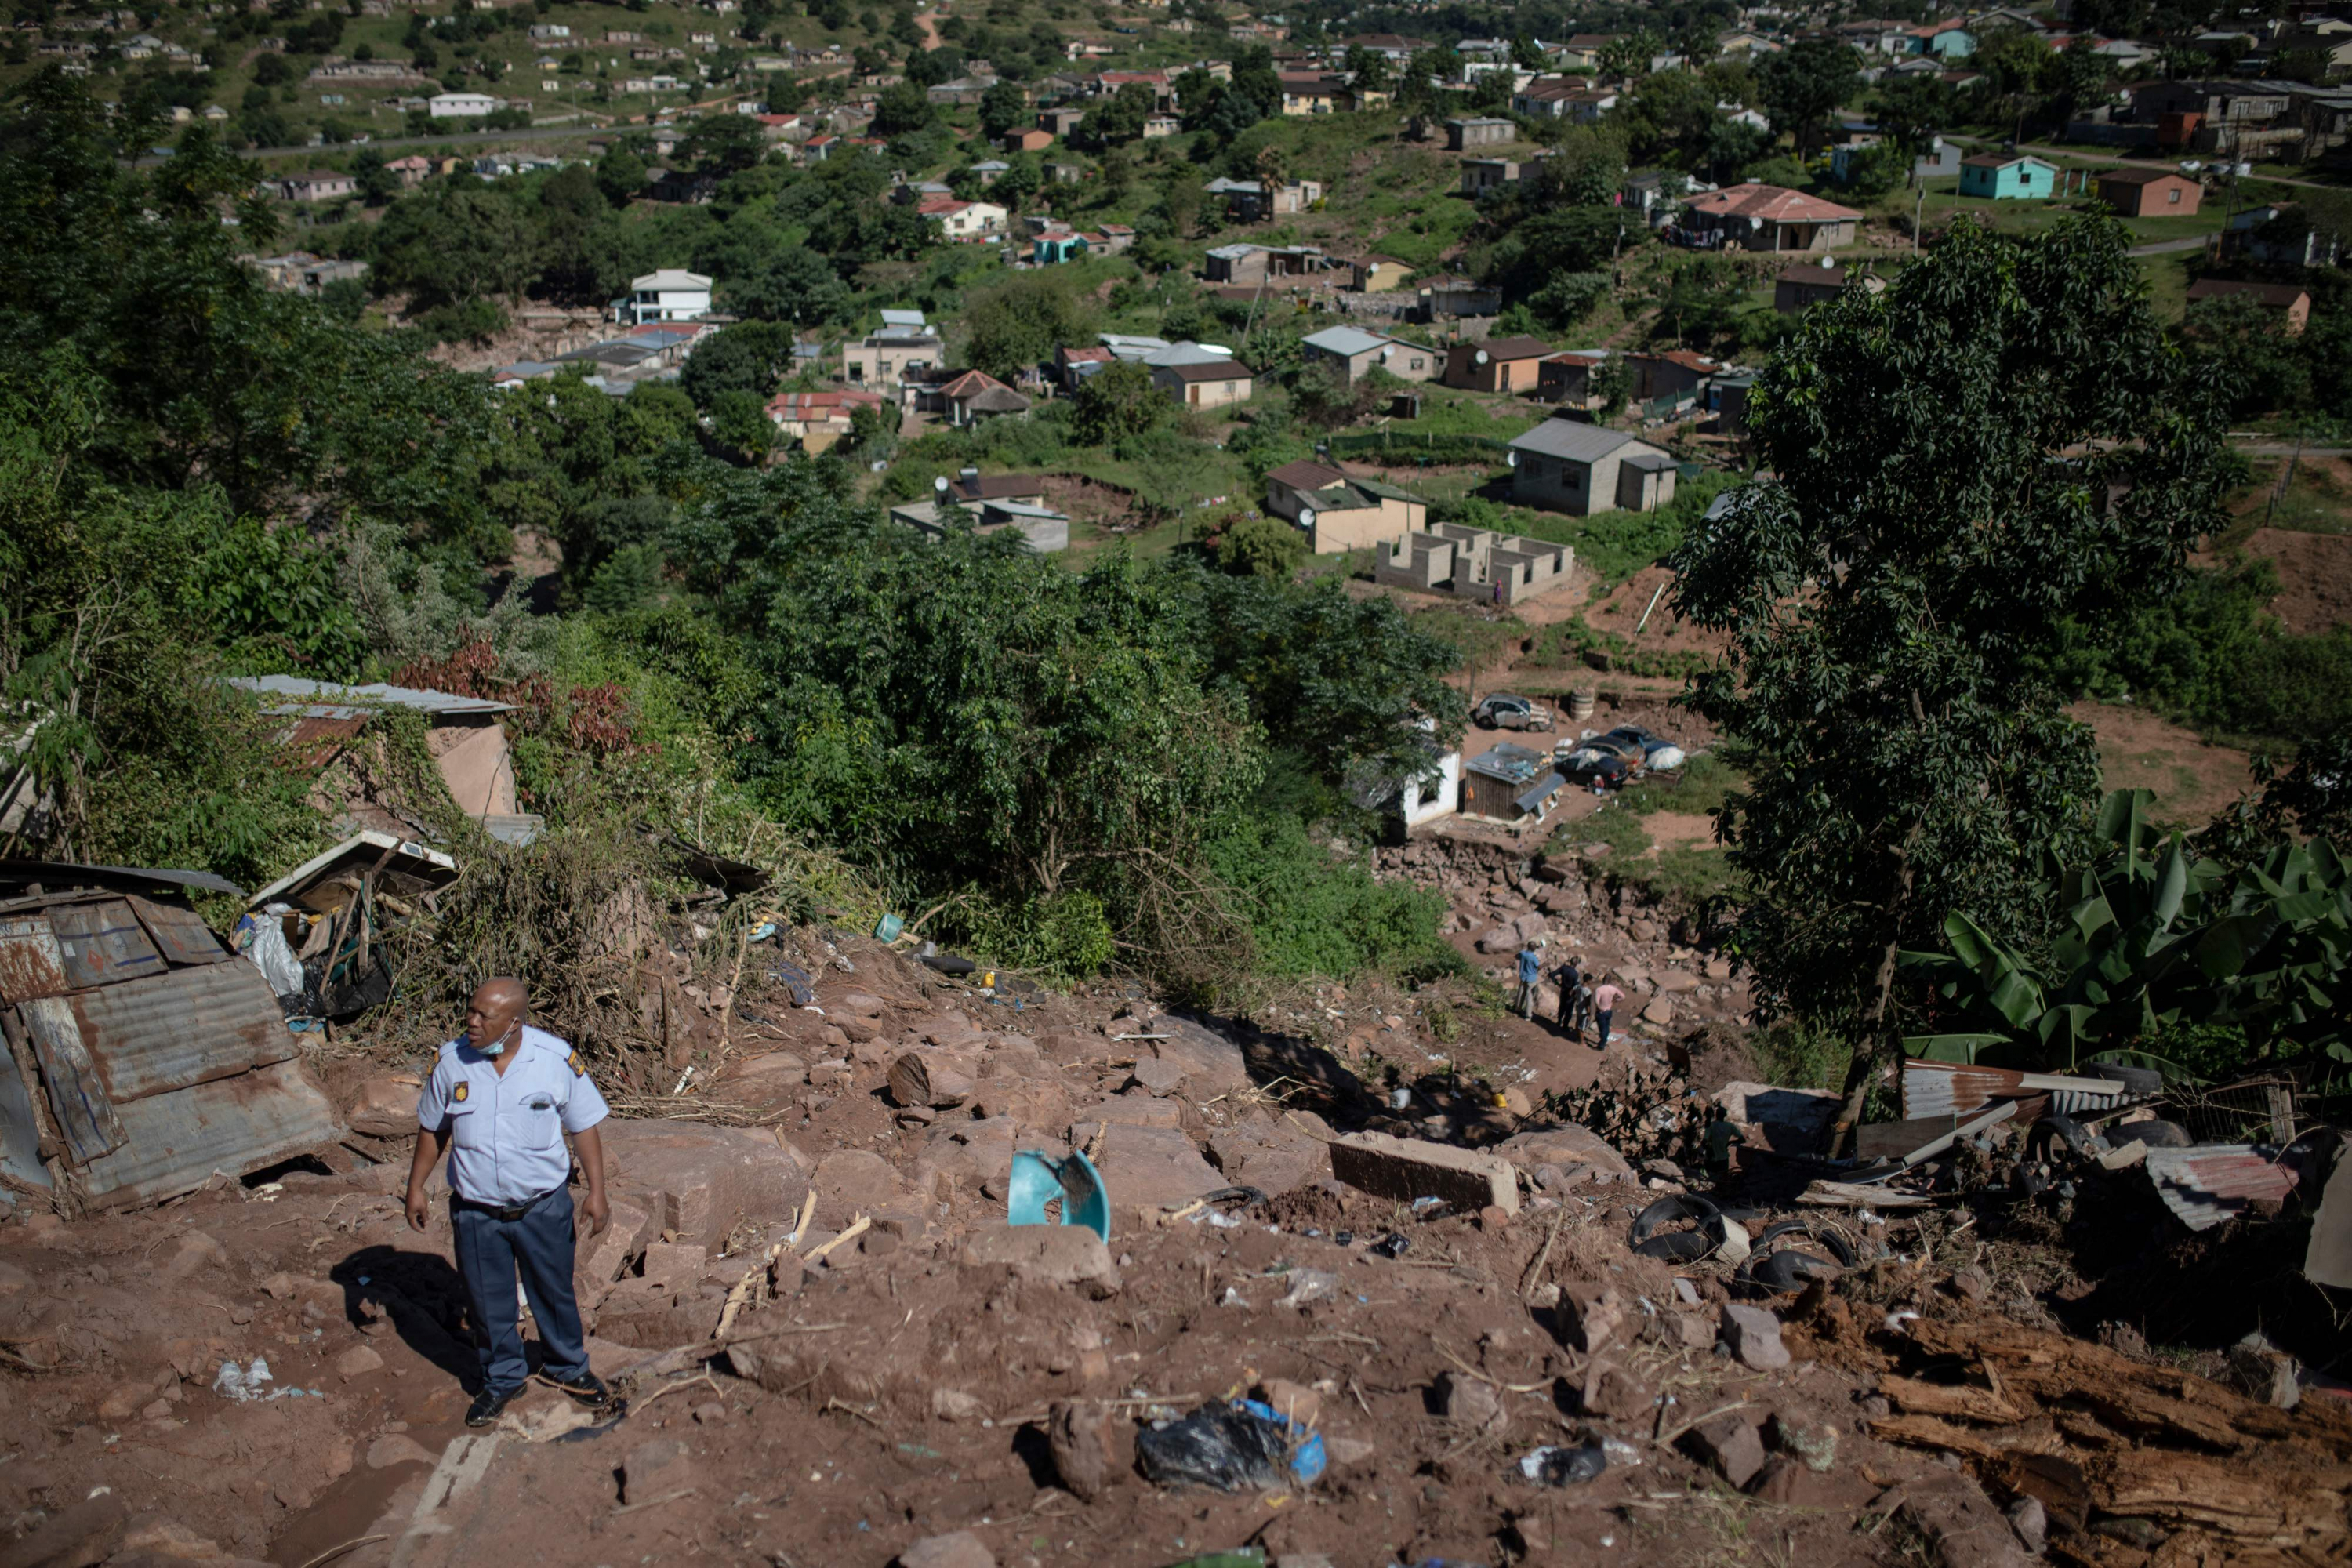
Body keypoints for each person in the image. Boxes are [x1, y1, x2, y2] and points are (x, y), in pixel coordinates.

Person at [406, 978, 615, 1428]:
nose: (472, 1021)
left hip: (542, 1207)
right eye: (471, 1010)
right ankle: (502, 1378)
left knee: (554, 1292)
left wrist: (597, 1191)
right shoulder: (451, 1061)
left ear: (514, 1023)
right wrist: (416, 1186)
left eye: (485, 1015)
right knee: (486, 1300)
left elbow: (583, 1126)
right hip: (476, 1211)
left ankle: (568, 1368)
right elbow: (433, 1128)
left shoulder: (555, 1060)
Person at [1590, 975, 1625, 1052]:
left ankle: (1601, 1045)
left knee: (1602, 1029)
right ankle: (1603, 1042)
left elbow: (1596, 1001)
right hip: (1609, 1010)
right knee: (1606, 1027)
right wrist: (1615, 1001)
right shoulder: (1613, 989)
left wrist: (1598, 1008)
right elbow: (1623, 996)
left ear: (1603, 980)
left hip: (1601, 1011)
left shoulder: (1599, 989)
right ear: (1610, 981)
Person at [1553, 955, 1583, 1035]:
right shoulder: (1575, 974)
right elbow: (1576, 986)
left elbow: (1552, 974)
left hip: (1563, 990)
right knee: (1569, 1010)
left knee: (1562, 1006)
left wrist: (1556, 983)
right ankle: (1565, 1026)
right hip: (1570, 994)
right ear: (1576, 964)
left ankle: (1559, 1021)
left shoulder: (1563, 968)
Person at [1514, 943, 1541, 1019]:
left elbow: (1516, 956)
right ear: (1534, 948)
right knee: (1530, 997)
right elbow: (1538, 967)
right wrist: (1545, 964)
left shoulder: (1523, 953)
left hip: (1523, 977)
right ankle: (1528, 1015)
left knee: (1521, 993)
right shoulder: (1533, 958)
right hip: (1531, 978)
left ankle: (1517, 1009)